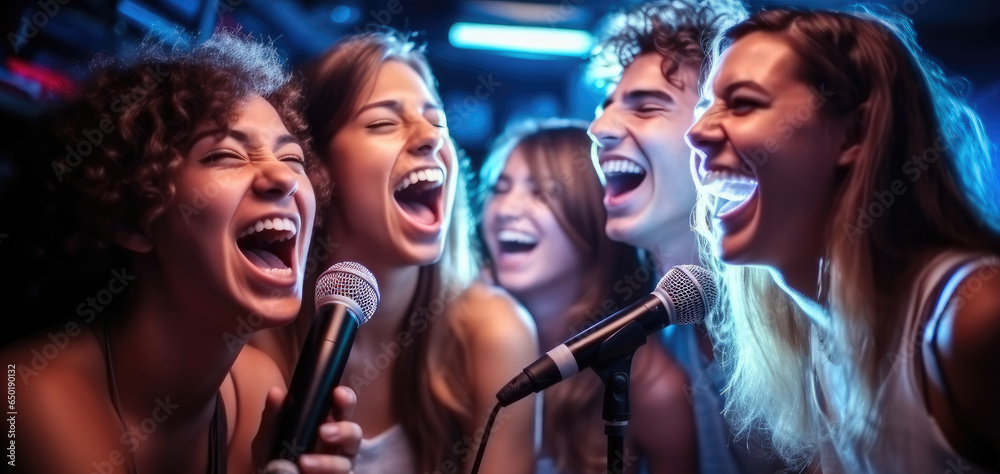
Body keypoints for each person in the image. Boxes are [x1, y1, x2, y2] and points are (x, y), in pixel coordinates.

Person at [1, 33, 362, 473]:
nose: (282, 178)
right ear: (133, 216)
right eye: (225, 155)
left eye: (292, 160)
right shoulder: (25, 395)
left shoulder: (255, 386)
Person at [686, 7, 1000, 473]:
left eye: (744, 103)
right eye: (705, 107)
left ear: (853, 132)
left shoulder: (972, 316)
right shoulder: (823, 326)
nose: (696, 133)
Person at [251, 29, 539, 474]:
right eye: (383, 122)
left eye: (438, 122)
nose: (431, 138)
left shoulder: (495, 334)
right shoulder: (253, 345)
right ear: (316, 166)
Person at [587, 1, 784, 472]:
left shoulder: (803, 311)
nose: (598, 129)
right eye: (606, 107)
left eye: (648, 107)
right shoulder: (663, 329)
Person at [476, 118, 696, 473]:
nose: (507, 209)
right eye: (499, 188)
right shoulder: (462, 323)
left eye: (542, 192)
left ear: (595, 217)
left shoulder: (652, 388)